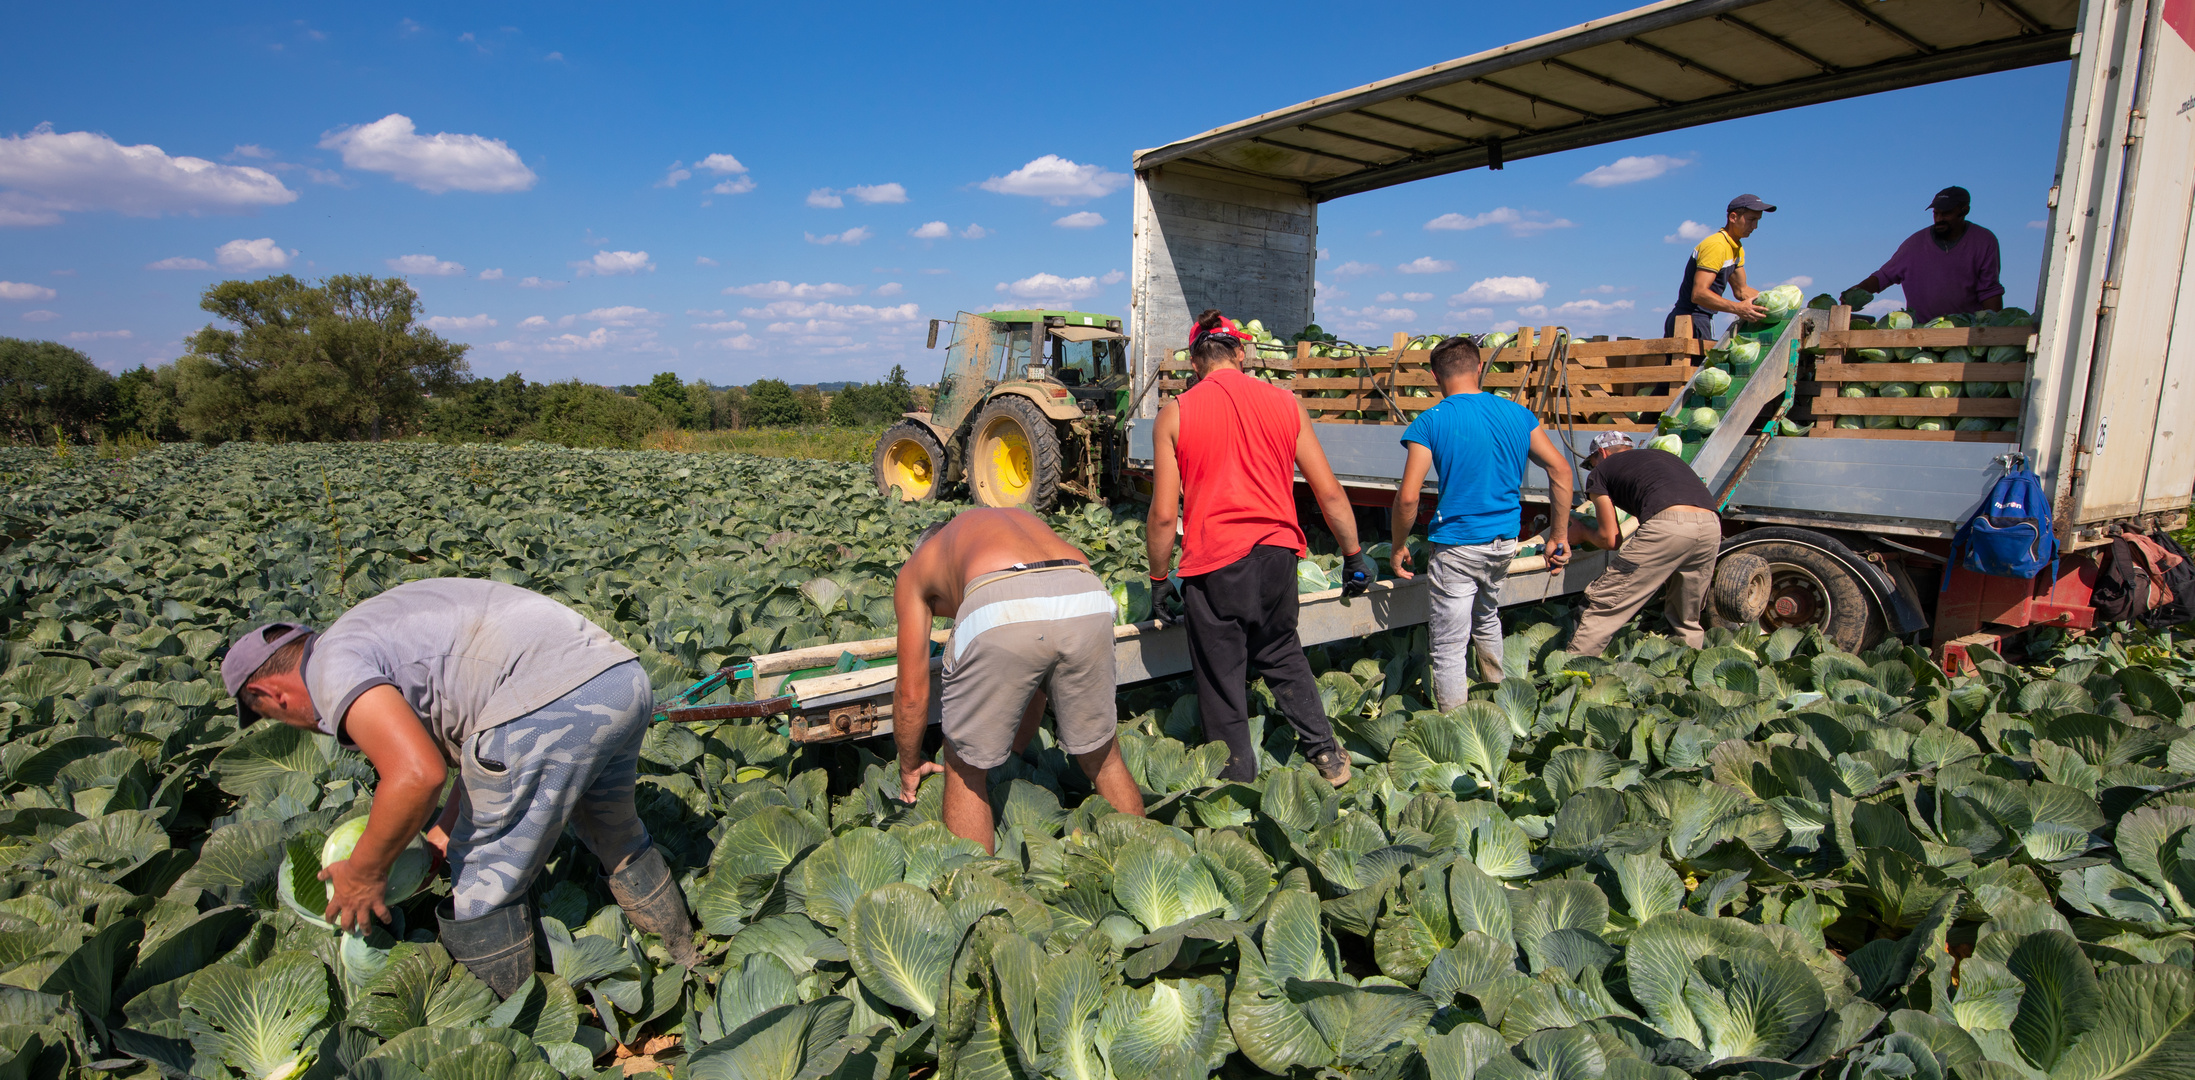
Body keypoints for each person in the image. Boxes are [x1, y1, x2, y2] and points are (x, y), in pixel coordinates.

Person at [220, 578, 696, 999]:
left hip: (548, 706)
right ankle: (685, 956)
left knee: (482, 886)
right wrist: (444, 829)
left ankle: (512, 1033)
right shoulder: (364, 632)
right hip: (619, 679)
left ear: (269, 696)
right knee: (615, 834)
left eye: (268, 715)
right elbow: (481, 740)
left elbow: (416, 774)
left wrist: (364, 873)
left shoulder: (328, 668)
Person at [1147, 309, 1374, 787]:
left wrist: (1158, 578)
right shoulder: (1286, 404)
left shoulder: (1176, 413)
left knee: (1221, 678)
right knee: (1281, 651)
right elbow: (1328, 491)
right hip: (1277, 555)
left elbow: (1165, 515)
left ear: (1194, 362)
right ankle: (1327, 756)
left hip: (1216, 563)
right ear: (1243, 353)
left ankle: (1239, 788)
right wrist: (1353, 555)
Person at [892, 508, 1144, 852]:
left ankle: (977, 894)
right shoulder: (1003, 523)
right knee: (1105, 756)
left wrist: (908, 767)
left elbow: (911, 694)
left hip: (1002, 597)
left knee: (965, 770)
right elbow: (1034, 674)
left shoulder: (918, 566)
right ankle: (1142, 852)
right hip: (1085, 591)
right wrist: (1013, 753)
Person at [1390, 336, 1575, 708]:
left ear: (1433, 375)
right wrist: (1558, 535)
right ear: (1479, 369)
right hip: (1504, 541)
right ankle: (1497, 694)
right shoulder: (1518, 414)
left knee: (1448, 646)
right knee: (1487, 615)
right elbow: (1560, 469)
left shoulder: (1431, 421)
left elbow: (1408, 496)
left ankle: (1459, 728)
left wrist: (1397, 546)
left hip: (1458, 546)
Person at [1566, 433, 1724, 657]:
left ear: (1601, 453)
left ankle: (1572, 671)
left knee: (1602, 605)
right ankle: (1682, 676)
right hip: (1711, 525)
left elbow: (1610, 539)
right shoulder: (1664, 458)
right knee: (1685, 617)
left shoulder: (1602, 470)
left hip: (1669, 526)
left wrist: (1582, 533)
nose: (1592, 469)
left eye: (1591, 464)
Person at [1840, 186, 2003, 322]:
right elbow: (1884, 276)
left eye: (1946, 213)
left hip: (1965, 332)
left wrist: (1992, 332)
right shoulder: (1914, 244)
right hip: (1921, 332)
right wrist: (1857, 291)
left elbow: (1989, 291)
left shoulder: (1984, 241)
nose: (1939, 219)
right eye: (1936, 213)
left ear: (1964, 211)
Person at [1665, 194, 1775, 341]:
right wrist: (1737, 308)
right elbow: (1698, 294)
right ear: (1733, 217)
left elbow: (1742, 290)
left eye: (1758, 221)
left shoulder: (1736, 248)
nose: (1755, 227)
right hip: (1687, 320)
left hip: (1701, 319)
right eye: (1751, 220)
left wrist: (1776, 304)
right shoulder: (1717, 246)